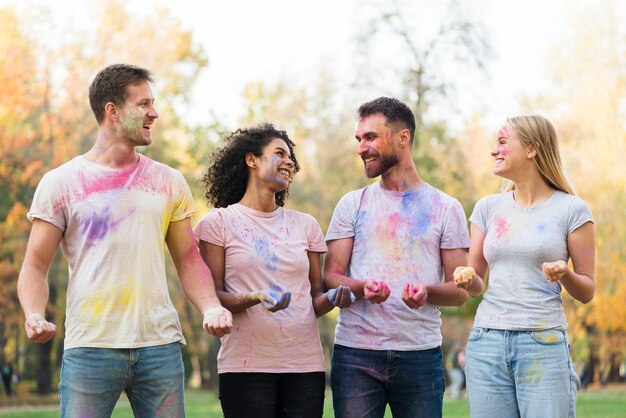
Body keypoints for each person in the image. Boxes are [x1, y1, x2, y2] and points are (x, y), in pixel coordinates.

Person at [17, 64, 233, 418]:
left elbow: (189, 259)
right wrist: (34, 315)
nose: (155, 112)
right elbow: (35, 266)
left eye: (154, 103)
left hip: (159, 346)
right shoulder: (61, 183)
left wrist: (211, 305)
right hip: (90, 347)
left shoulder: (169, 181)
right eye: (143, 103)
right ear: (112, 111)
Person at [323, 97, 471, 418]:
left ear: (402, 138)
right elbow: (331, 277)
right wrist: (362, 287)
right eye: (359, 139)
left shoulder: (446, 208)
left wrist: (428, 292)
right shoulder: (352, 205)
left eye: (371, 137)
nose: (361, 148)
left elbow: (459, 290)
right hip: (356, 356)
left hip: (420, 356)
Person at [194, 123, 353, 418]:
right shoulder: (218, 223)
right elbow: (213, 296)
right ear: (251, 159)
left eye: (291, 157)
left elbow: (314, 300)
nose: (289, 161)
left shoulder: (306, 225)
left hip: (305, 367)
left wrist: (334, 298)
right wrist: (256, 297)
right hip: (245, 366)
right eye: (279, 153)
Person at [453, 115, 595, 418]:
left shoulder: (572, 210)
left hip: (542, 343)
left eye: (503, 143)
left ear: (531, 149)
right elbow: (478, 281)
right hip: (486, 341)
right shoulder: (487, 208)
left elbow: (587, 290)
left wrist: (566, 273)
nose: (494, 151)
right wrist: (468, 278)